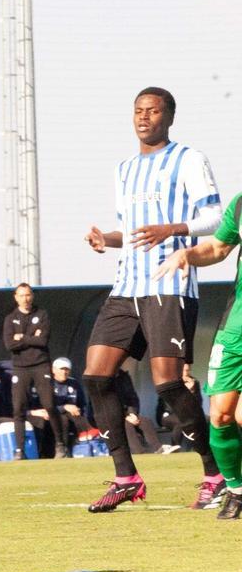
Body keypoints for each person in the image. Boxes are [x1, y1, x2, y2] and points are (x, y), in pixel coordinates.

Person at [81, 86, 223, 513]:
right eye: (138, 111)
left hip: (169, 285)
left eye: (153, 110)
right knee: (96, 376)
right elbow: (135, 231)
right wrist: (107, 238)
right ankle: (126, 477)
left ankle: (216, 475)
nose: (144, 117)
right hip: (127, 287)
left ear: (169, 117)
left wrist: (173, 229)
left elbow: (215, 217)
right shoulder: (124, 169)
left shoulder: (189, 160)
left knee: (167, 384)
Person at [156, 190, 242, 518]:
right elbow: (218, 247)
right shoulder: (240, 203)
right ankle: (236, 490)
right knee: (220, 415)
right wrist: (187, 255)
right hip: (234, 328)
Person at [2, 283, 64, 460]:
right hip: (21, 367)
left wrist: (21, 337)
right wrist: (32, 338)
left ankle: (60, 444)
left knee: (49, 405)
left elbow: (43, 341)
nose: (25, 299)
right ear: (16, 297)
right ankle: (19, 450)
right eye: (22, 295)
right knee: (18, 408)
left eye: (28, 295)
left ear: (32, 296)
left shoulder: (41, 315)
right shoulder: (10, 318)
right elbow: (9, 344)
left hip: (40, 365)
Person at [27, 357, 90, 458]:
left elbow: (83, 405)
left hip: (70, 416)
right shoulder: (46, 383)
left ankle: (86, 449)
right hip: (49, 416)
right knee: (62, 420)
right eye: (61, 369)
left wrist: (80, 412)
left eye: (67, 369)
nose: (64, 372)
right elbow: (43, 407)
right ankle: (61, 451)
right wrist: (64, 407)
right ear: (53, 370)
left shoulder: (74, 383)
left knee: (81, 421)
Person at [154, 362, 201, 452]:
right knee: (181, 421)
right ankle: (174, 446)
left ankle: (203, 447)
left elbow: (198, 403)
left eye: (187, 370)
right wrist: (185, 391)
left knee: (204, 420)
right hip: (168, 415)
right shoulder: (170, 382)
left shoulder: (194, 383)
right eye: (184, 371)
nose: (186, 373)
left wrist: (192, 391)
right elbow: (171, 405)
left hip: (188, 414)